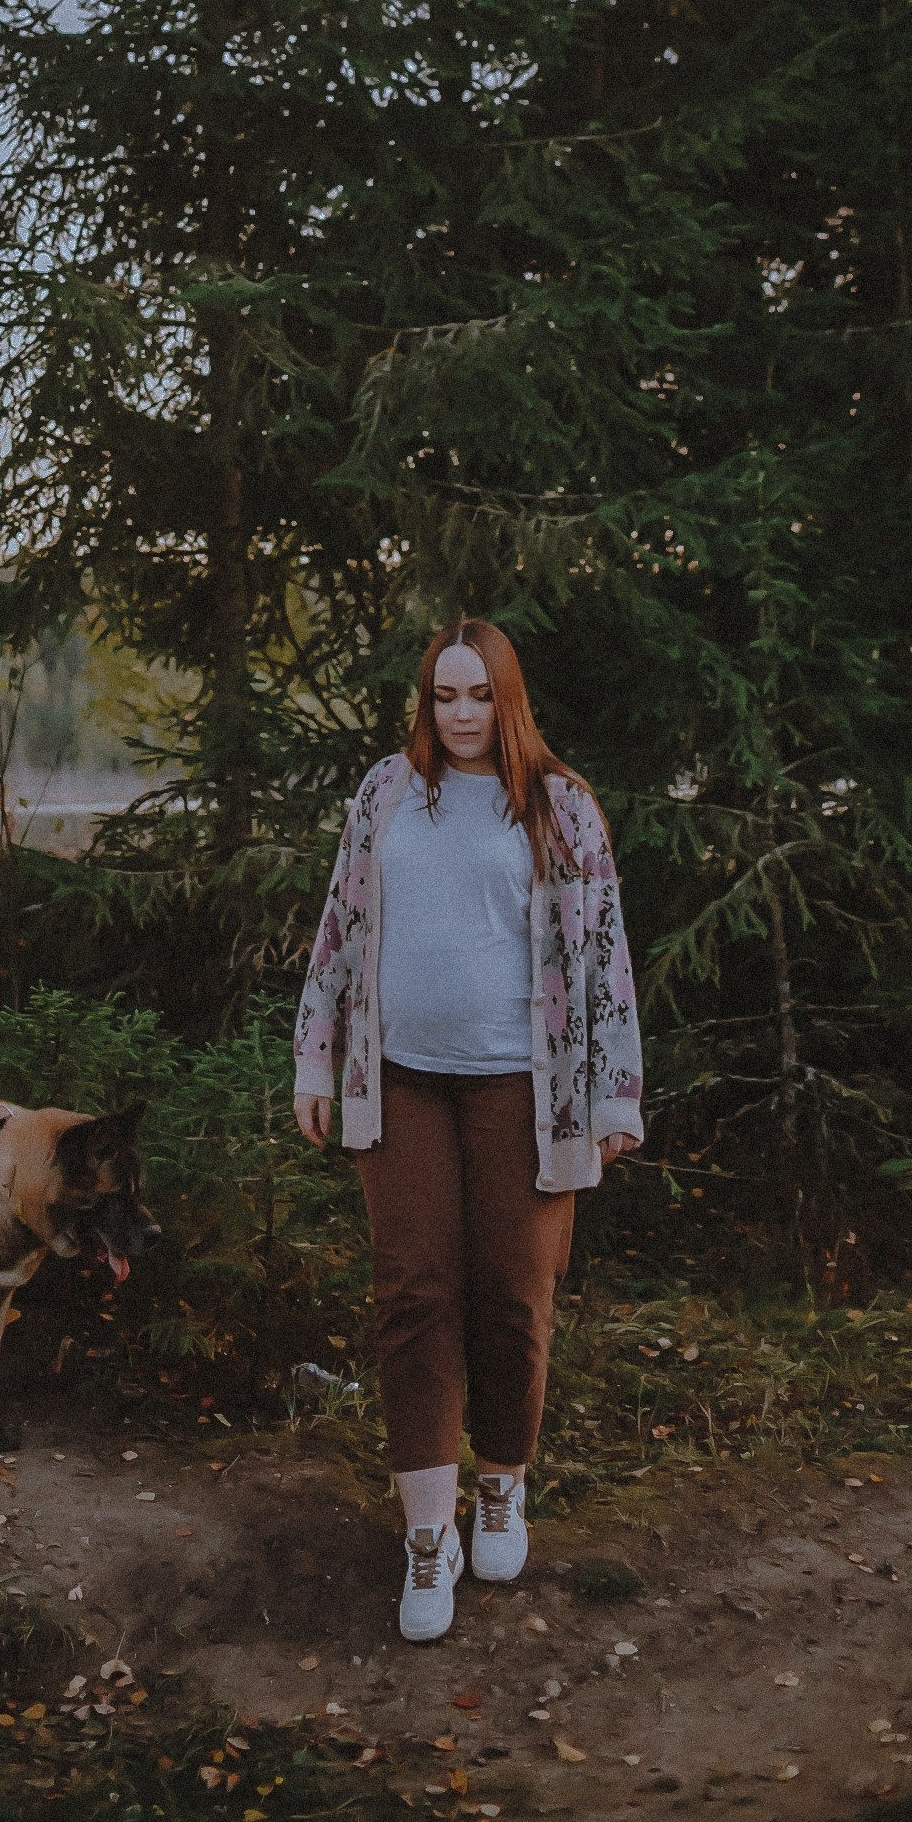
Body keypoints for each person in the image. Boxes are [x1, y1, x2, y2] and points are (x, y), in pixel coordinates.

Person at [293, 620, 641, 1643]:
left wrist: (613, 1093)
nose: (458, 713)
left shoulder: (559, 805)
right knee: (413, 1291)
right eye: (442, 694)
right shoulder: (383, 794)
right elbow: (337, 930)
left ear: (507, 698)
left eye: (476, 694)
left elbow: (603, 956)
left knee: (513, 1293)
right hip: (397, 1081)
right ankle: (426, 1534)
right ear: (424, 700)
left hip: (524, 1088)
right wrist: (315, 1057)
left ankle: (501, 1483)